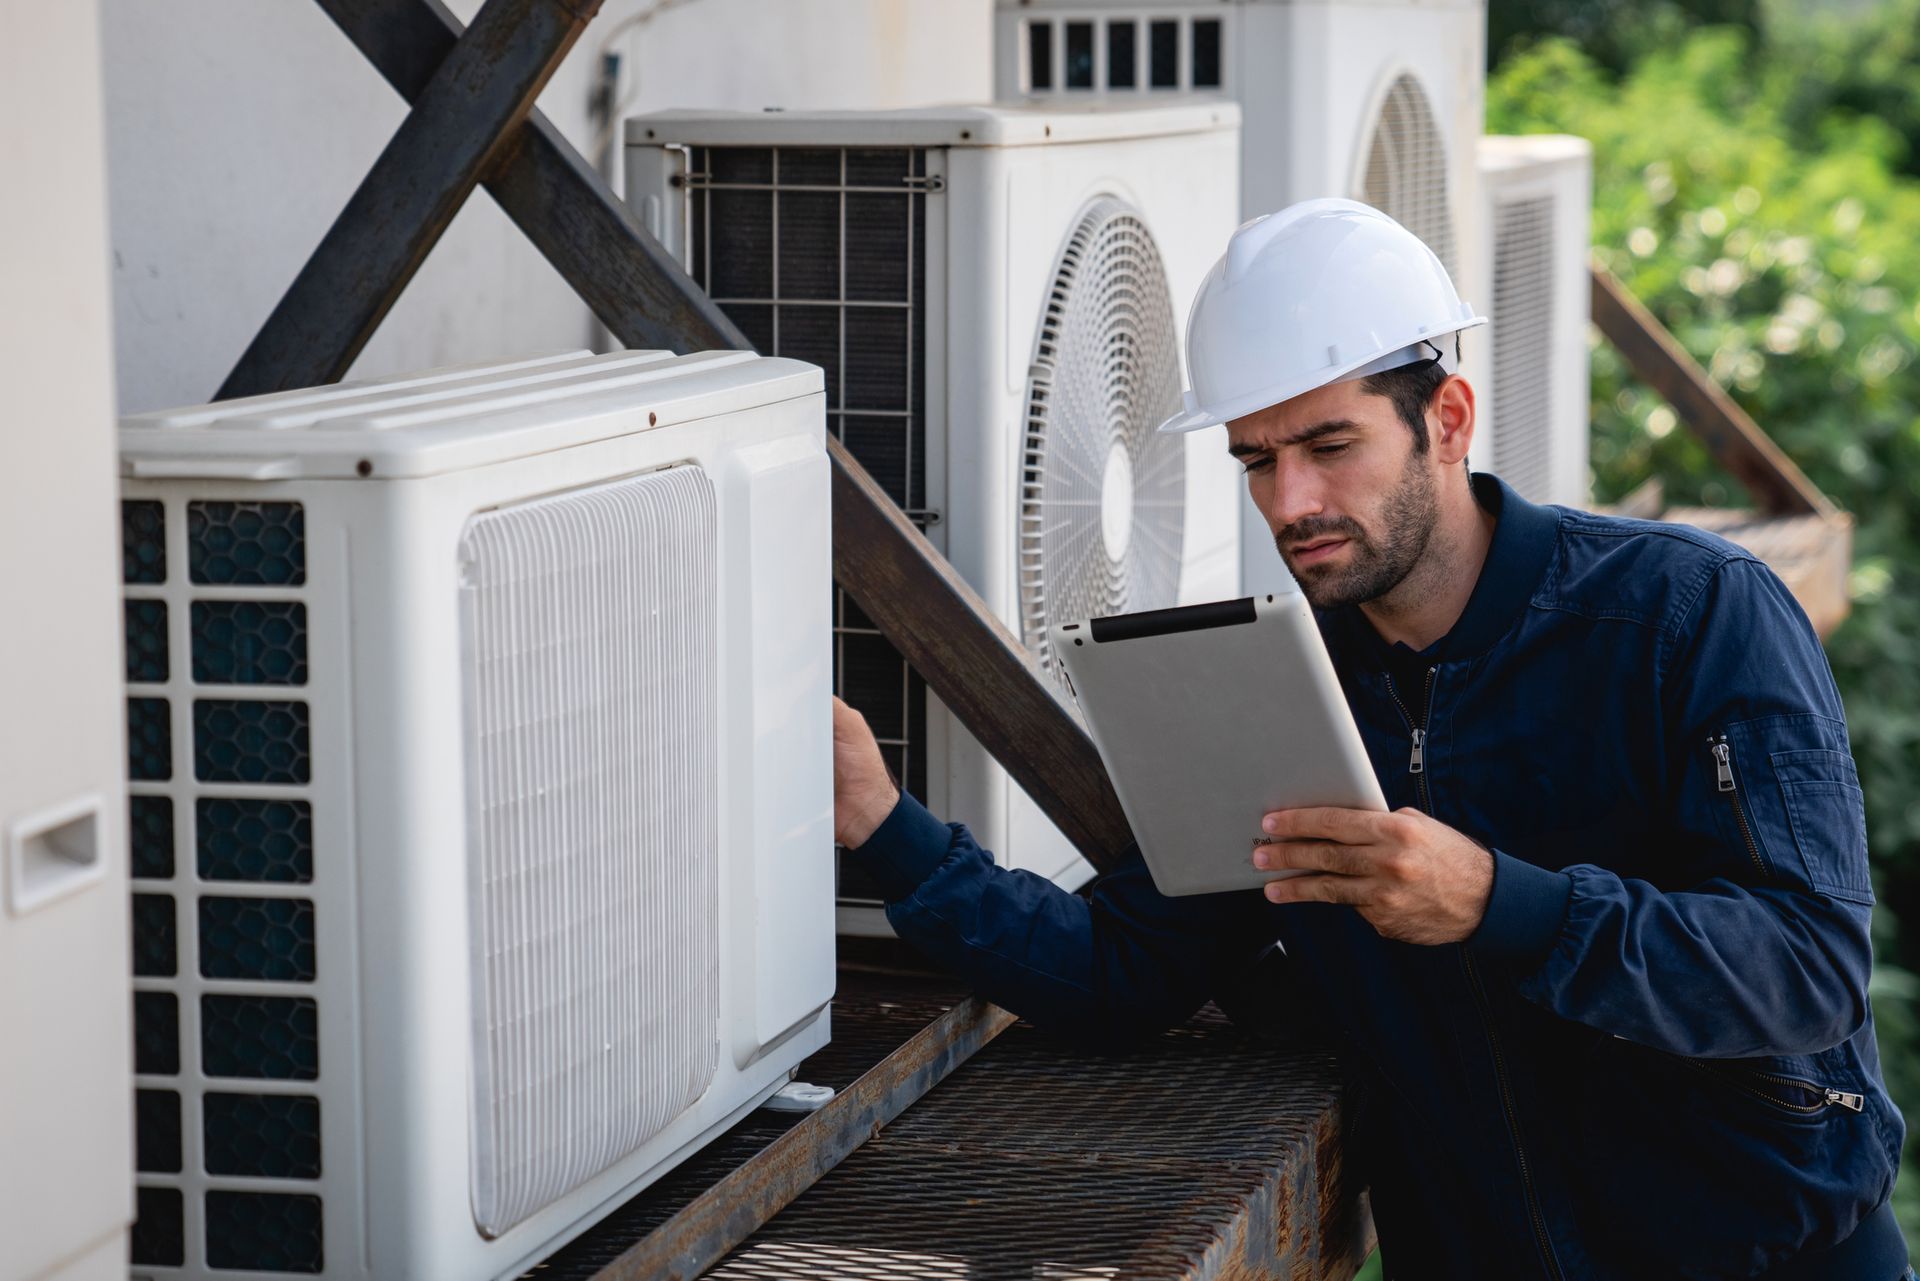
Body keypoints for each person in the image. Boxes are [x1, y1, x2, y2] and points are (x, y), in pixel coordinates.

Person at [829, 199, 1909, 1279]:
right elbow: (1121, 968)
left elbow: (1807, 970)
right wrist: (883, 824)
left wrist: (1500, 903)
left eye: (1329, 445)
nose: (1291, 501)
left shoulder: (1693, 613)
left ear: (1447, 418)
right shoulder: (1275, 693)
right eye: (1256, 460)